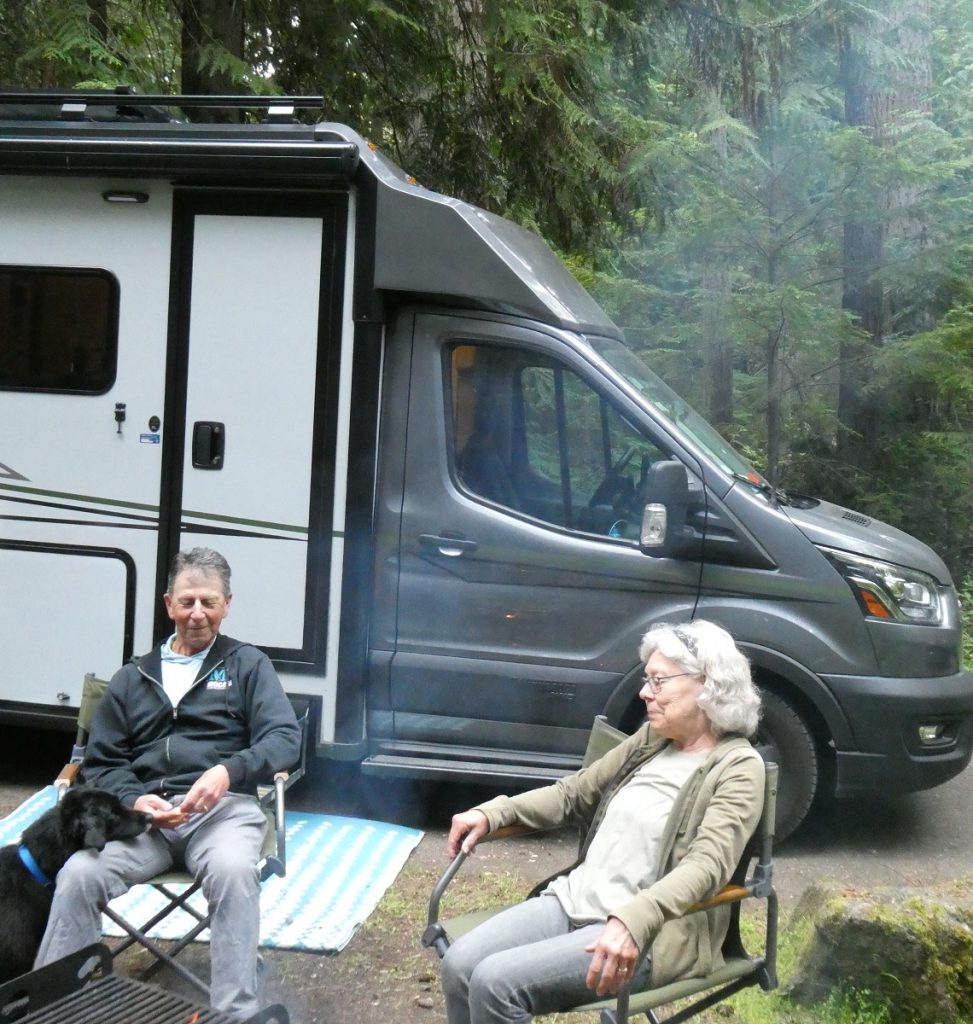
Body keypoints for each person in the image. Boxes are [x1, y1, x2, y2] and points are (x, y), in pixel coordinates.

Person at [441, 620, 764, 1024]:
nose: (645, 692)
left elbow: (707, 867)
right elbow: (572, 794)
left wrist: (634, 920)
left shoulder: (738, 767)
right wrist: (495, 812)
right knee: (459, 965)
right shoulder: (652, 740)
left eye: (659, 681)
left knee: (494, 983)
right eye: (647, 680)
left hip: (649, 932)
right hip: (573, 900)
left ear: (707, 685)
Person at [35, 547, 302, 1021]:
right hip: (143, 821)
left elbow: (284, 739)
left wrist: (227, 772)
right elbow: (102, 760)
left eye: (209, 602)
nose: (197, 614)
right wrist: (135, 798)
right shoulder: (131, 678)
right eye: (187, 602)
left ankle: (235, 1015)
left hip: (222, 813)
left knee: (234, 872)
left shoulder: (247, 665)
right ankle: (55, 1008)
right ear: (168, 605)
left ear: (227, 605)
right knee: (78, 875)